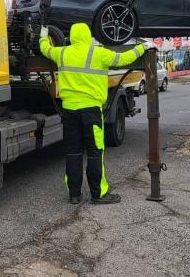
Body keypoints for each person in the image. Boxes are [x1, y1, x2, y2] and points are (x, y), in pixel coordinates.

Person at [39, 22, 153, 204]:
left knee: (73, 153)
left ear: (73, 37)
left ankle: (74, 194)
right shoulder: (98, 53)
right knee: (94, 152)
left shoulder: (62, 53)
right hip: (91, 112)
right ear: (87, 35)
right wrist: (142, 47)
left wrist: (43, 35)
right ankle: (98, 194)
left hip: (69, 111)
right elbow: (123, 59)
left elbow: (45, 49)